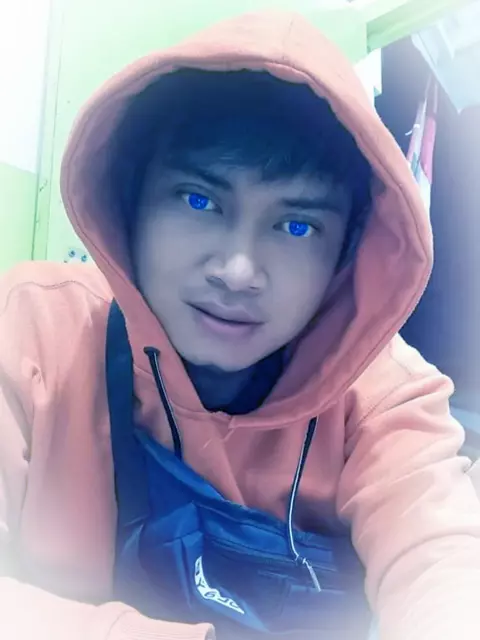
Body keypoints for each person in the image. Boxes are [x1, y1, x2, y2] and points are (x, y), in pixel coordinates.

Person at [1, 10, 480, 640]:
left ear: (346, 251)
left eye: (296, 226)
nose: (237, 270)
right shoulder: (35, 329)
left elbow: (447, 567)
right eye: (199, 200)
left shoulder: (384, 396)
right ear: (131, 200)